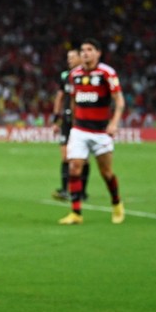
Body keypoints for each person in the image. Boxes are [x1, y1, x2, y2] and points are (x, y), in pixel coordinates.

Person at [58, 38, 125, 225]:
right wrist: (72, 123)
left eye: (89, 49)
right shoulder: (74, 75)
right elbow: (73, 99)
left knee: (106, 173)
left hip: (101, 132)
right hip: (80, 129)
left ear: (98, 53)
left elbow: (119, 101)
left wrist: (114, 123)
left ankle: (117, 203)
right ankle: (76, 213)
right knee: (74, 167)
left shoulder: (107, 73)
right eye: (83, 50)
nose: (85, 53)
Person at [51, 48, 89, 201]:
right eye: (68, 57)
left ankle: (82, 192)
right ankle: (65, 189)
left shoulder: (86, 76)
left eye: (72, 57)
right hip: (66, 121)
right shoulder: (65, 76)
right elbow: (59, 97)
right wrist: (56, 119)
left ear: (80, 58)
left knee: (83, 159)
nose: (69, 60)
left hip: (81, 121)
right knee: (65, 157)